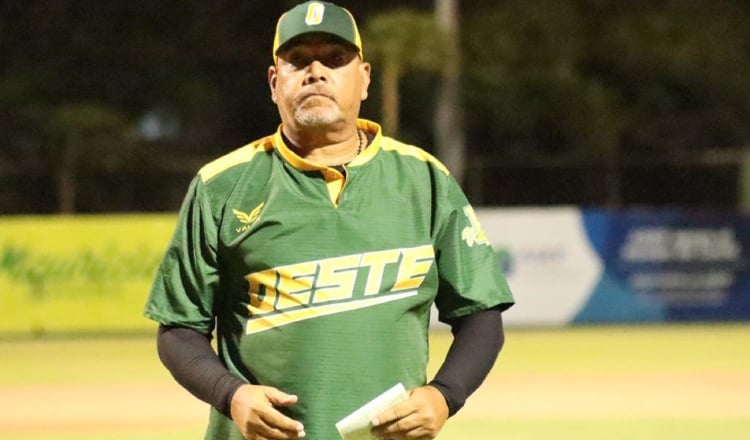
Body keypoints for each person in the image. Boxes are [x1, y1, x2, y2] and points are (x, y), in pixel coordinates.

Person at [143, 1, 515, 439]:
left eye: (335, 60)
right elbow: (179, 330)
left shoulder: (423, 179)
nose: (315, 72)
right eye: (298, 61)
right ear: (274, 81)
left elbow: (481, 315)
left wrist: (443, 395)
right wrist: (232, 394)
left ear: (365, 79)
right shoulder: (221, 186)